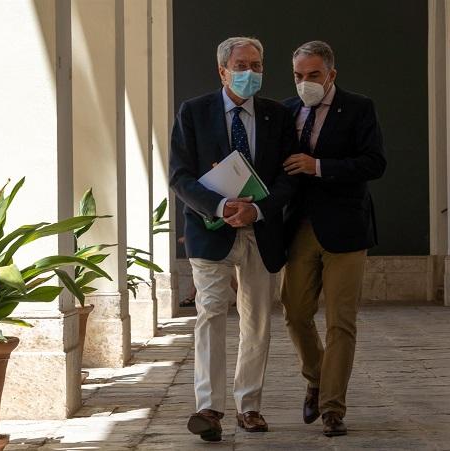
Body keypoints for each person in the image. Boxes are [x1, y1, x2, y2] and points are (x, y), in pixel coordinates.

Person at [169, 36, 297, 442]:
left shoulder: (278, 116)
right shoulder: (194, 112)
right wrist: (222, 206)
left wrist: (257, 209)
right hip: (211, 231)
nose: (250, 74)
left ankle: (250, 405)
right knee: (210, 312)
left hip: (261, 230)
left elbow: (287, 177)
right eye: (241, 66)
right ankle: (209, 406)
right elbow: (180, 175)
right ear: (223, 71)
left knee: (257, 320)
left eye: (257, 66)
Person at [281, 40, 387, 437]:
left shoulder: (359, 107)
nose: (305, 82)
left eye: (313, 75)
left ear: (331, 75)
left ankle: (332, 408)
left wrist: (319, 166)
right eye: (298, 76)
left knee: (340, 321)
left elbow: (374, 162)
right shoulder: (286, 111)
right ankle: (316, 377)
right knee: (294, 312)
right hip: (299, 227)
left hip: (345, 228)